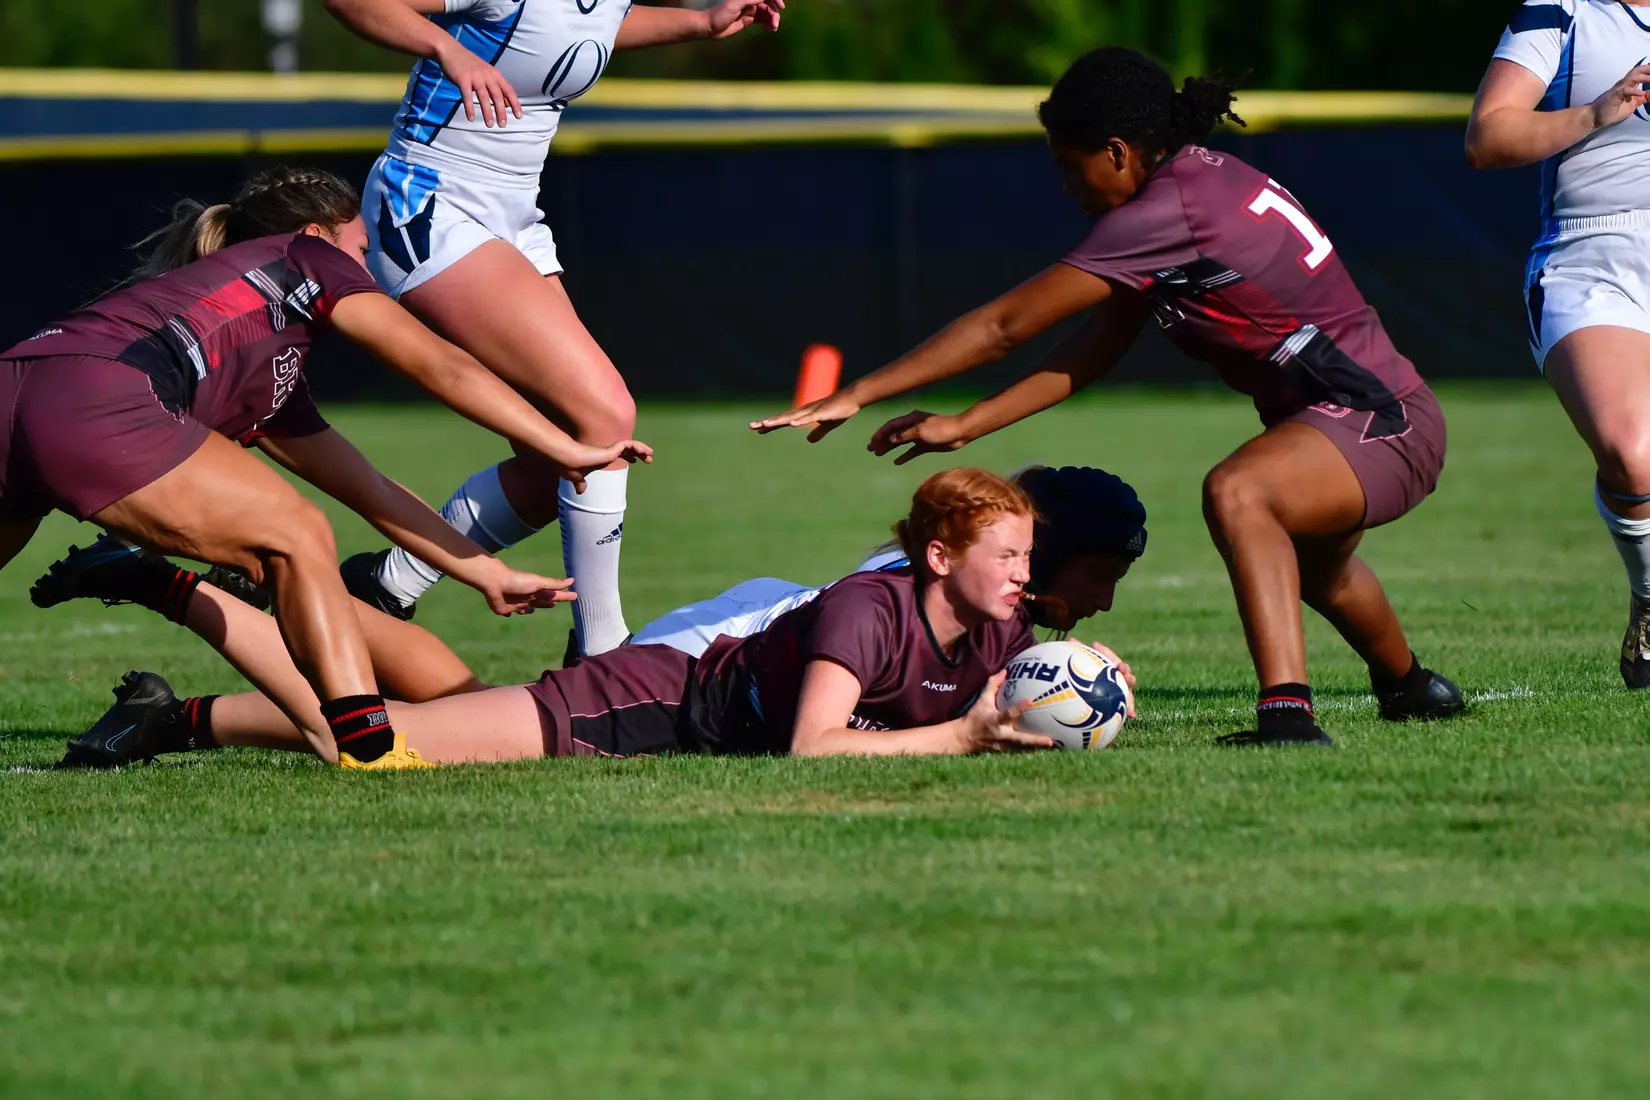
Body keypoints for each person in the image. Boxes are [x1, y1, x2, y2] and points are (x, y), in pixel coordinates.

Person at [753, 47, 1465, 746]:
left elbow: (1004, 326)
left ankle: (1287, 717)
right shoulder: (1195, 185)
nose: (1070, 187)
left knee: (1242, 492)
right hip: (1357, 418)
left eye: (1073, 166)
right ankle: (1410, 688)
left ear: (1119, 152)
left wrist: (860, 391)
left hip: (1381, 423)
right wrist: (969, 423)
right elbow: (1096, 347)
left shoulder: (1168, 210)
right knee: (1321, 570)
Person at [2, 166, 648, 769]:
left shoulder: (266, 371)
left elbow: (368, 489)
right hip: (95, 397)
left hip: (17, 382)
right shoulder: (304, 257)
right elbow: (442, 365)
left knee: (291, 537)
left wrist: (487, 573)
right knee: (296, 533)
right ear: (317, 236)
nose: (368, 268)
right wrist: (562, 444)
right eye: (363, 250)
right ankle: (371, 745)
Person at [56, 468, 1130, 767]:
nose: (1028, 575)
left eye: (1033, 560)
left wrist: (1083, 677)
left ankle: (183, 711)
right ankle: (174, 588)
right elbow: (816, 748)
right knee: (374, 748)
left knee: (457, 700)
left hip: (685, 685)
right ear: (941, 555)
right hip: (647, 695)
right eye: (1014, 555)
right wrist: (967, 735)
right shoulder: (872, 604)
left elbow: (1009, 679)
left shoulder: (998, 624)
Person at [322, 0, 785, 660]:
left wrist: (702, 23)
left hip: (510, 210)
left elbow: (587, 25)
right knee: (603, 417)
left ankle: (385, 582)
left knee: (558, 462)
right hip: (432, 200)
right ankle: (601, 655)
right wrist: (447, 49)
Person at [1466, 2, 1650, 687]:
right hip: (1593, 248)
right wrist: (1596, 113)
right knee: (1634, 455)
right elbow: (1486, 138)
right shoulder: (1562, 11)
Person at [633, 464, 1146, 656]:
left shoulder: (981, 611)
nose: (1104, 601)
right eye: (1099, 576)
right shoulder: (911, 595)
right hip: (688, 653)